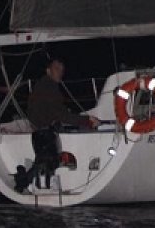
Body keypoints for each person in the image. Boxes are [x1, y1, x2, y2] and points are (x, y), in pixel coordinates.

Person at [15, 58, 99, 192]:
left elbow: (50, 112)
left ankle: (25, 181)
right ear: (48, 71)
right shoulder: (49, 87)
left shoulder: (42, 86)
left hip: (39, 133)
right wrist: (87, 120)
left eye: (62, 70)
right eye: (56, 69)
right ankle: (21, 182)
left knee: (45, 163)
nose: (60, 73)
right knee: (47, 163)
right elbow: (62, 115)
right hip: (45, 134)